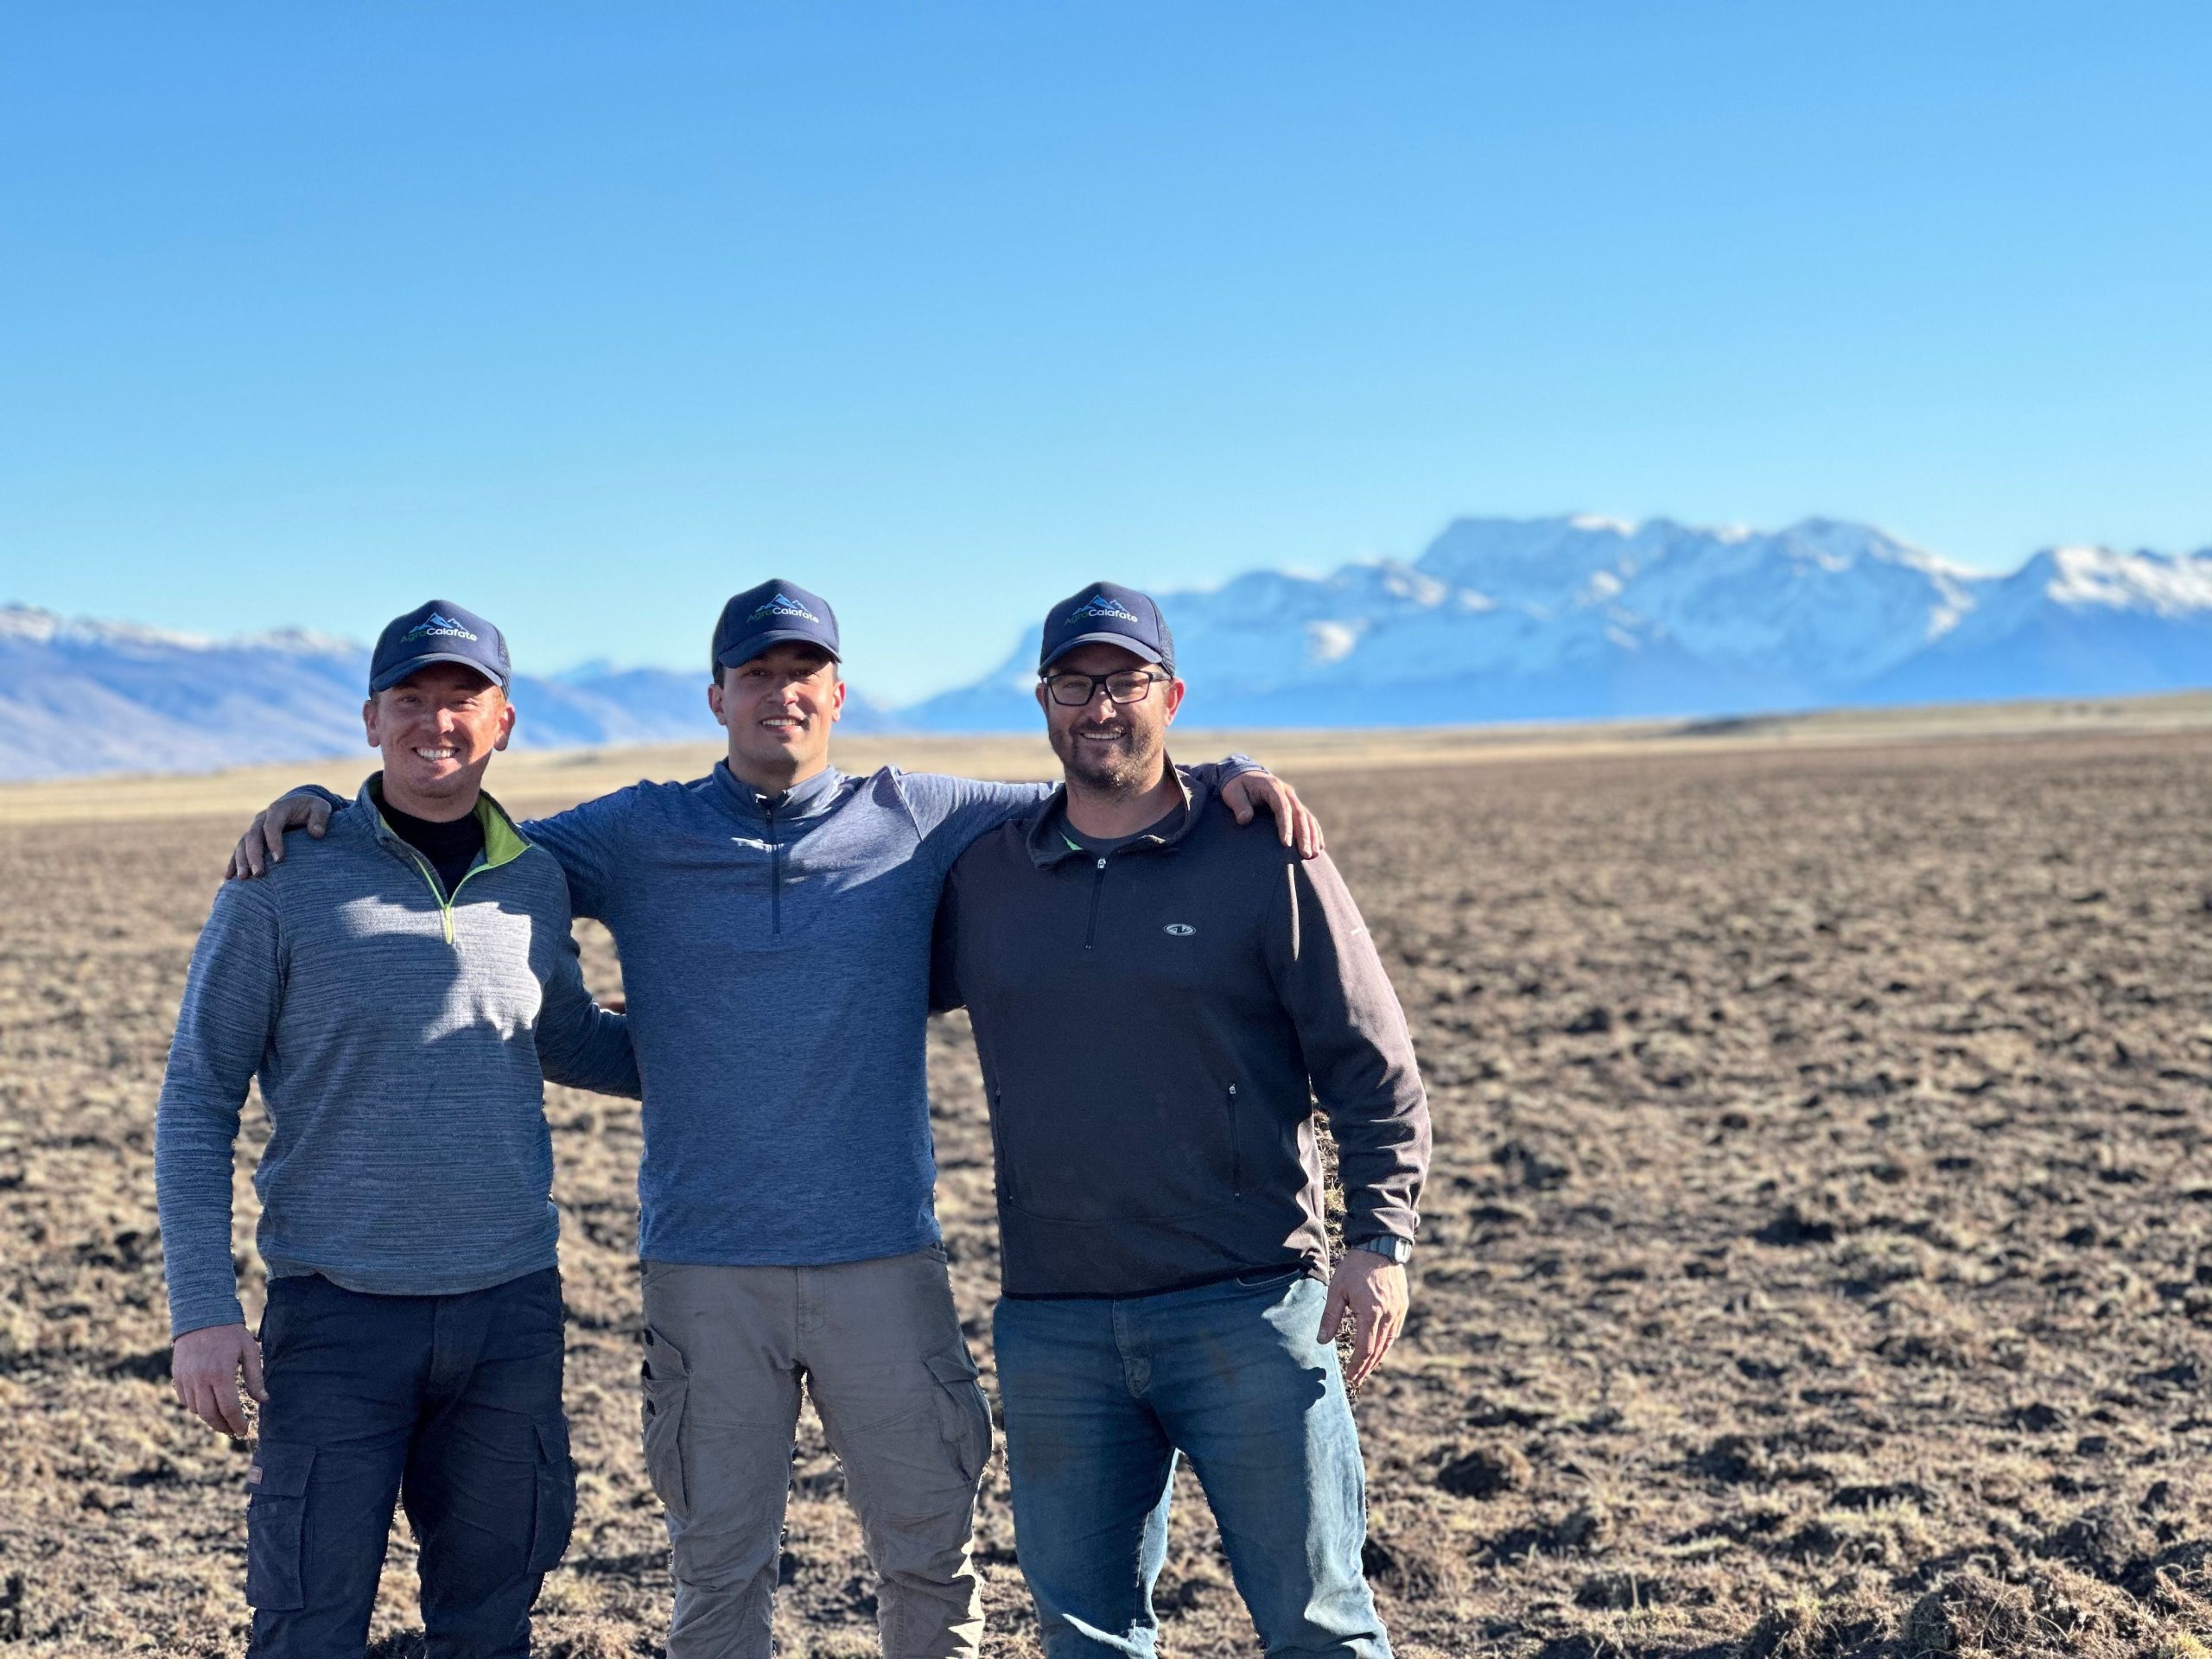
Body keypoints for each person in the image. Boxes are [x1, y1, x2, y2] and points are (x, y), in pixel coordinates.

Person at [224, 578, 1322, 1659]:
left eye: (804, 673)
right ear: (717, 697)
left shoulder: (921, 815)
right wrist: (324, 816)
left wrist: (1226, 774)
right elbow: (455, 836)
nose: (780, 694)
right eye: (756, 673)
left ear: (840, 694)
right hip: (705, 1275)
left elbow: (1103, 785)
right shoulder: (632, 832)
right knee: (715, 1576)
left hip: (883, 1264)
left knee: (929, 1565)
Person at [931, 582, 1430, 1659]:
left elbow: (1370, 1063)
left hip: (1246, 1309)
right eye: (1074, 683)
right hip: (1055, 1323)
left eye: (1126, 682)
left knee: (1319, 1629)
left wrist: (1378, 1242)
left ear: (1173, 694)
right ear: (1042, 698)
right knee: (1086, 1641)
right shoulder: (988, 872)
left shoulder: (1262, 855)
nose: (1098, 707)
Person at [156, 600, 639, 1658]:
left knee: (488, 1622)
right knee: (307, 1626)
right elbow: (197, 1098)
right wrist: (201, 1309)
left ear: (504, 720)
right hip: (335, 1322)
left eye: (462, 698)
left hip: (508, 1311)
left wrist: (747, 1051)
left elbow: (560, 1037)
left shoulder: (535, 879)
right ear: (371, 717)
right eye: (410, 699)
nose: (437, 721)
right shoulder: (282, 879)